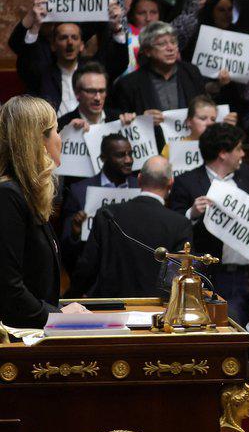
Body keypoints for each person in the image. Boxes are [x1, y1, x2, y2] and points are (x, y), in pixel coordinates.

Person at [167, 123, 249, 299]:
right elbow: (173, 228)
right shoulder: (187, 182)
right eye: (238, 149)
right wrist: (191, 214)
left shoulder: (247, 176)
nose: (243, 154)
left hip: (248, 276)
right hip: (209, 275)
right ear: (223, 153)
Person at [0, 96, 89, 328]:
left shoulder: (26, 195)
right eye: (56, 131)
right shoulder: (8, 195)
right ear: (38, 140)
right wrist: (58, 316)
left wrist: (59, 310)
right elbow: (9, 289)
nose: (60, 139)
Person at [71, 156, 192, 298]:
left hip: (112, 308)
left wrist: (70, 296)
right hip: (157, 310)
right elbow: (179, 276)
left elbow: (87, 266)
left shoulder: (107, 214)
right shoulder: (180, 223)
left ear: (139, 179)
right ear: (170, 183)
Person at [9, 1, 126, 114]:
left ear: (81, 45)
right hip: (55, 131)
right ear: (53, 45)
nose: (70, 42)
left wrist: (117, 27)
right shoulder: (42, 71)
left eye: (74, 37)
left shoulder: (93, 70)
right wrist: (34, 24)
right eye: (63, 37)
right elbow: (22, 51)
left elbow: (119, 62)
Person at [110, 21, 230, 115]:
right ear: (147, 51)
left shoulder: (191, 72)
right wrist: (142, 119)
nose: (170, 48)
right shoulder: (130, 83)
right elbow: (121, 118)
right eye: (162, 44)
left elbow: (204, 106)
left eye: (173, 42)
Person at [59, 133, 138, 269]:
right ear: (103, 158)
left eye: (130, 154)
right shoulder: (79, 191)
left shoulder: (140, 188)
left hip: (131, 268)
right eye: (120, 155)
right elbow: (67, 246)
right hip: (94, 272)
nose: (128, 160)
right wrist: (75, 233)